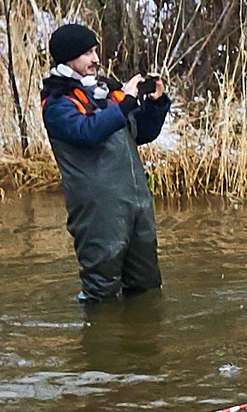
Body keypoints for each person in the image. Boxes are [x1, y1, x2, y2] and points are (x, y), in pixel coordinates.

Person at [39, 22, 171, 307]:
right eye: (87, 53)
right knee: (101, 292)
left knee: (147, 287)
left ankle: (142, 334)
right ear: (68, 58)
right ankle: (99, 335)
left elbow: (141, 132)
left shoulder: (107, 91)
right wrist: (126, 102)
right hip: (97, 211)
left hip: (135, 203)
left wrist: (156, 103)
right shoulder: (57, 103)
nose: (96, 59)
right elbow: (87, 132)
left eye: (95, 51)